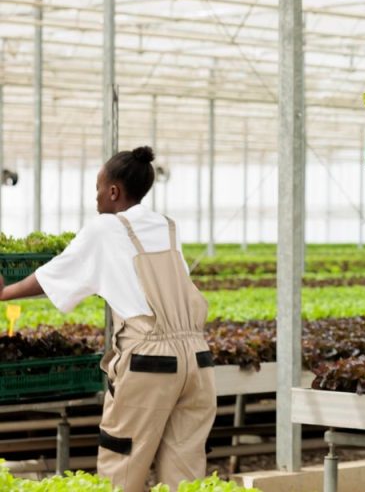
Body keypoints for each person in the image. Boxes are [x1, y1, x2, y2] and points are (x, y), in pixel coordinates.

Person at [0, 147, 215, 492]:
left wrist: (5, 292)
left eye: (98, 188)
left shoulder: (103, 228)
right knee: (185, 471)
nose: (96, 197)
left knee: (122, 465)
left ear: (113, 191)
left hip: (150, 363)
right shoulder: (166, 226)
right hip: (198, 360)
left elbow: (53, 275)